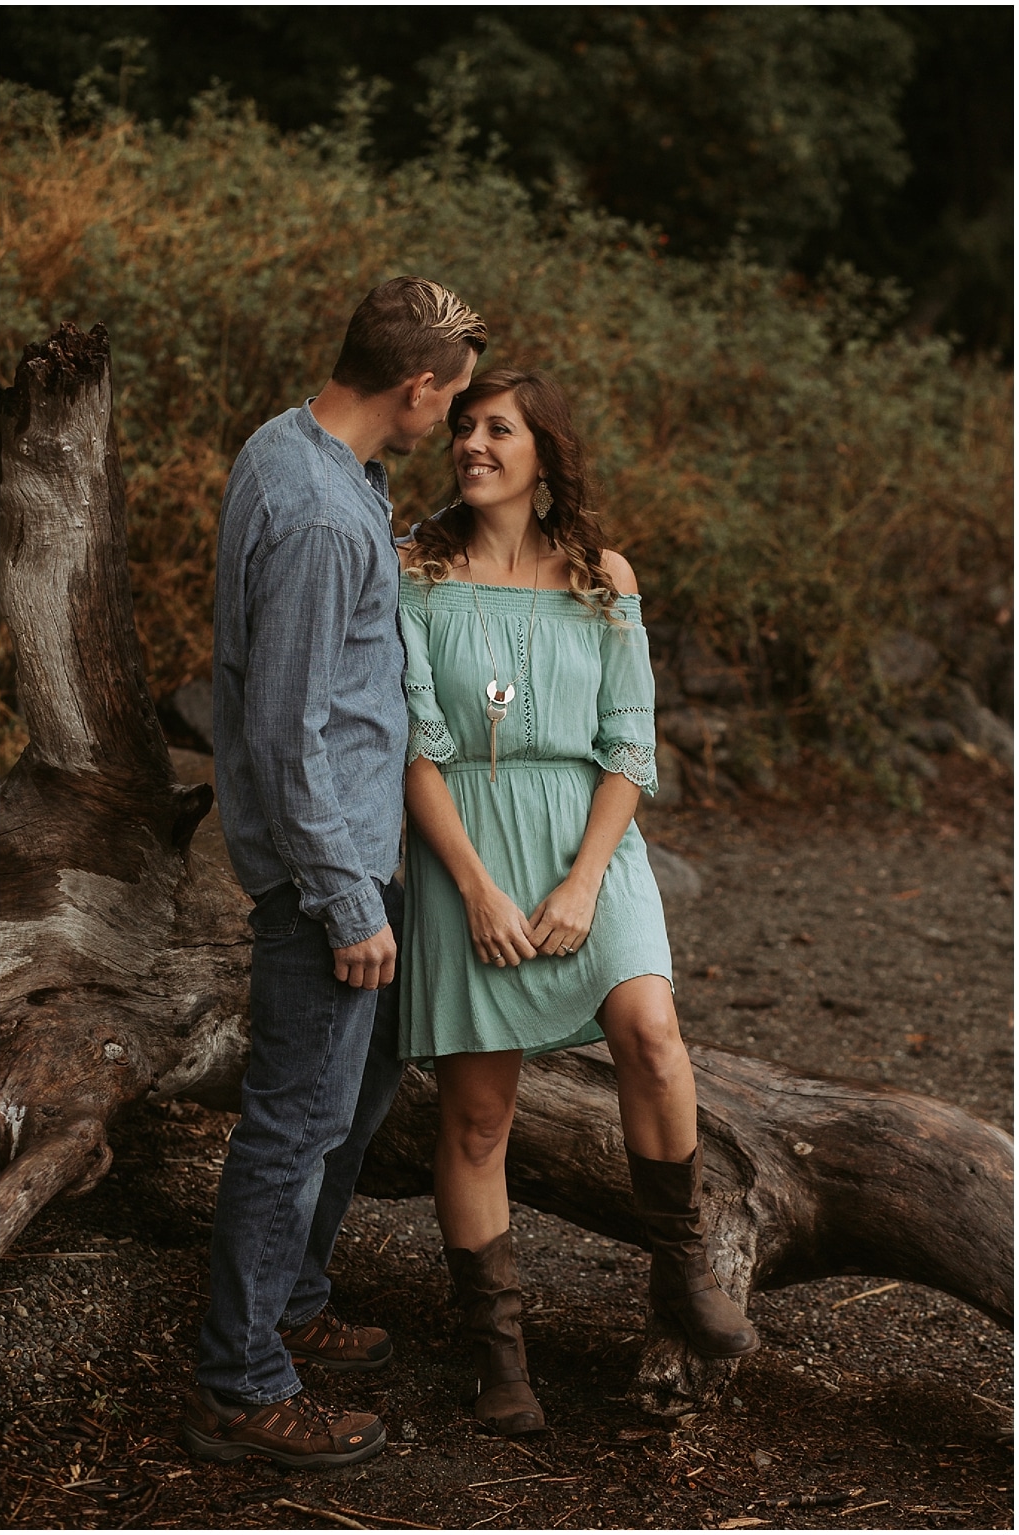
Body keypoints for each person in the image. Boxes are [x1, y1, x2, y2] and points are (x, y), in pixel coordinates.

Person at [397, 368, 760, 1438]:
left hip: (588, 843)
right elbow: (414, 749)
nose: (470, 442)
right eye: (460, 426)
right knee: (475, 1115)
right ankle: (498, 1356)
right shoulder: (413, 571)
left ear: (542, 452)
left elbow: (629, 746)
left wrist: (582, 876)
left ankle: (681, 1270)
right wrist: (472, 888)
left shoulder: (601, 576)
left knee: (651, 1034)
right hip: (463, 847)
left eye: (495, 427)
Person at [180, 276, 487, 1473]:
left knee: (354, 1098)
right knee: (290, 1127)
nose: (452, 425)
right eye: (448, 401)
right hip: (328, 875)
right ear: (412, 386)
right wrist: (347, 901)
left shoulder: (304, 453)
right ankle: (239, 1383)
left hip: (366, 844)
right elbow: (281, 728)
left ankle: (294, 1296)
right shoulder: (312, 510)